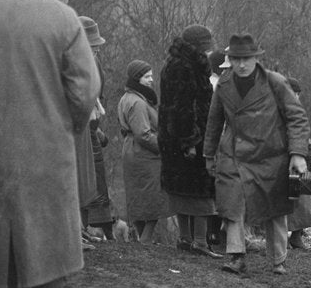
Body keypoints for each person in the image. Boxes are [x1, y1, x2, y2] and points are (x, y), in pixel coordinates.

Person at [0, 0, 99, 288]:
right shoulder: (62, 18)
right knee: (48, 227)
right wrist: (67, 125)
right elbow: (85, 91)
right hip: (45, 145)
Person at [204, 34, 310, 276]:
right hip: (234, 154)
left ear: (256, 59)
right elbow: (214, 121)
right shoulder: (224, 84)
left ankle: (278, 260)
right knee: (233, 203)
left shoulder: (274, 82)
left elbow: (297, 117)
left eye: (246, 59)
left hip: (270, 154)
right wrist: (209, 155)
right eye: (236, 59)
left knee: (274, 208)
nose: (241, 65)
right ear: (230, 60)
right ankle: (235, 256)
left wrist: (298, 154)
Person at [159, 24, 222, 258]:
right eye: (206, 49)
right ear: (197, 47)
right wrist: (190, 141)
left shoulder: (179, 64)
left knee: (183, 190)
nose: (208, 54)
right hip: (188, 139)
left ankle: (185, 239)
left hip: (177, 138)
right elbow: (182, 108)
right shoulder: (184, 67)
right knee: (199, 191)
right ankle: (199, 242)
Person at [118, 60, 171, 244]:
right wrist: (165, 148)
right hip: (144, 155)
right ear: (137, 78)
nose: (151, 80)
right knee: (152, 197)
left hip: (132, 151)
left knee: (139, 198)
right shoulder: (138, 102)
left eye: (151, 76)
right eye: (146, 76)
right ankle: (145, 240)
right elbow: (143, 134)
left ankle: (143, 240)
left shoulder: (127, 97)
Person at [78, 16, 121, 241]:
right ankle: (82, 229)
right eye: (92, 46)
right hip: (80, 127)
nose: (96, 50)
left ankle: (86, 229)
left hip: (92, 126)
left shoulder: (94, 62)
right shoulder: (76, 62)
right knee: (82, 176)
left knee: (93, 177)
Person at [285, 77, 311, 251]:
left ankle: (297, 237)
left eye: (297, 94)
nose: (296, 97)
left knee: (303, 200)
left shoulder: (299, 111)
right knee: (285, 202)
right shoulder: (280, 110)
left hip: (301, 161)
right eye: (293, 93)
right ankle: (281, 240)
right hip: (285, 161)